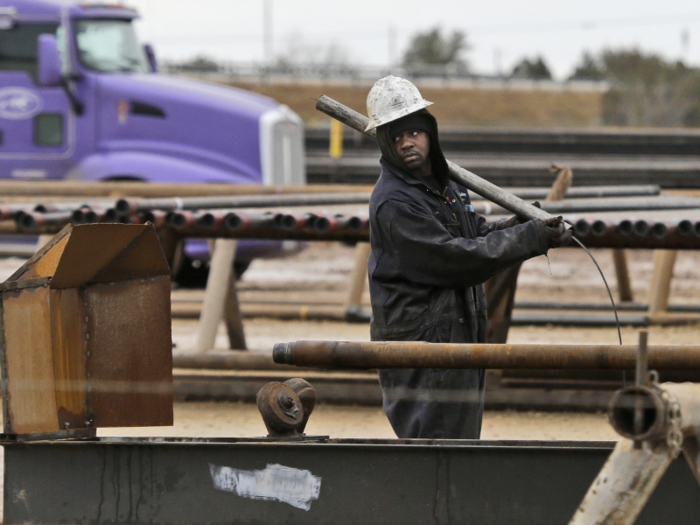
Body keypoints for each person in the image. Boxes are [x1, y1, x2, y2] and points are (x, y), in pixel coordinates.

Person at [366, 76, 571, 439]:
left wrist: (515, 224)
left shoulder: (448, 186)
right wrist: (528, 238)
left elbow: (473, 235)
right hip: (421, 346)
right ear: (384, 142)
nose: (406, 143)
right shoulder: (393, 202)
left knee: (460, 442)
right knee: (436, 451)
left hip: (456, 331)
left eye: (413, 132)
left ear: (429, 132)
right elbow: (452, 260)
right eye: (395, 137)